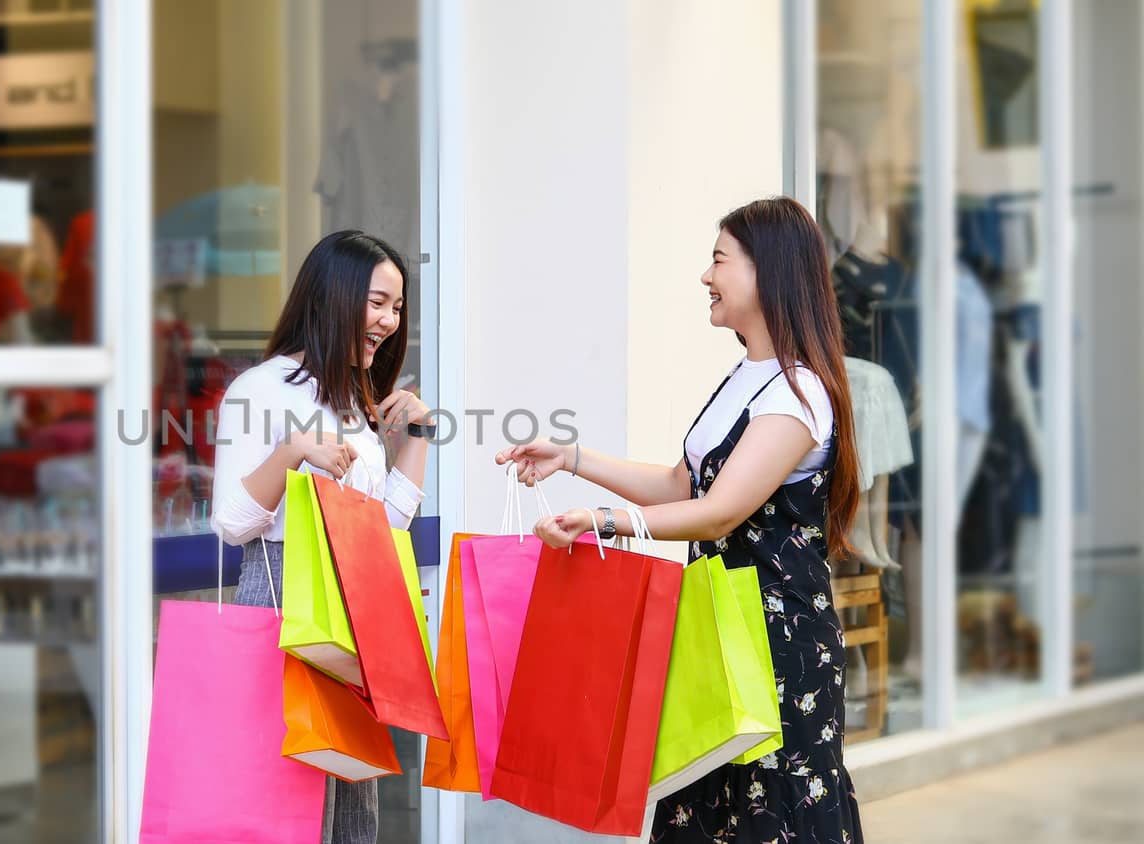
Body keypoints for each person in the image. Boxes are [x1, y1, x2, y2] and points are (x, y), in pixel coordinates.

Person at [498, 197, 865, 843]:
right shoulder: (747, 377)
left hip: (777, 646)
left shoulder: (797, 393)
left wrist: (603, 522)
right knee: (705, 803)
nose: (706, 276)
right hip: (720, 630)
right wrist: (572, 459)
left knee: (771, 813)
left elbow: (719, 512)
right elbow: (681, 485)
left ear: (767, 273)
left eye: (719, 260)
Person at [211, 230, 431, 844]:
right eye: (378, 302)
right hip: (283, 600)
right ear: (334, 296)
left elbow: (386, 526)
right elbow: (231, 523)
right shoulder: (260, 389)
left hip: (351, 604)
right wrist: (292, 452)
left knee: (348, 804)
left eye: (397, 308)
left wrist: (417, 438)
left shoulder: (354, 400)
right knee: (285, 803)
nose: (389, 321)